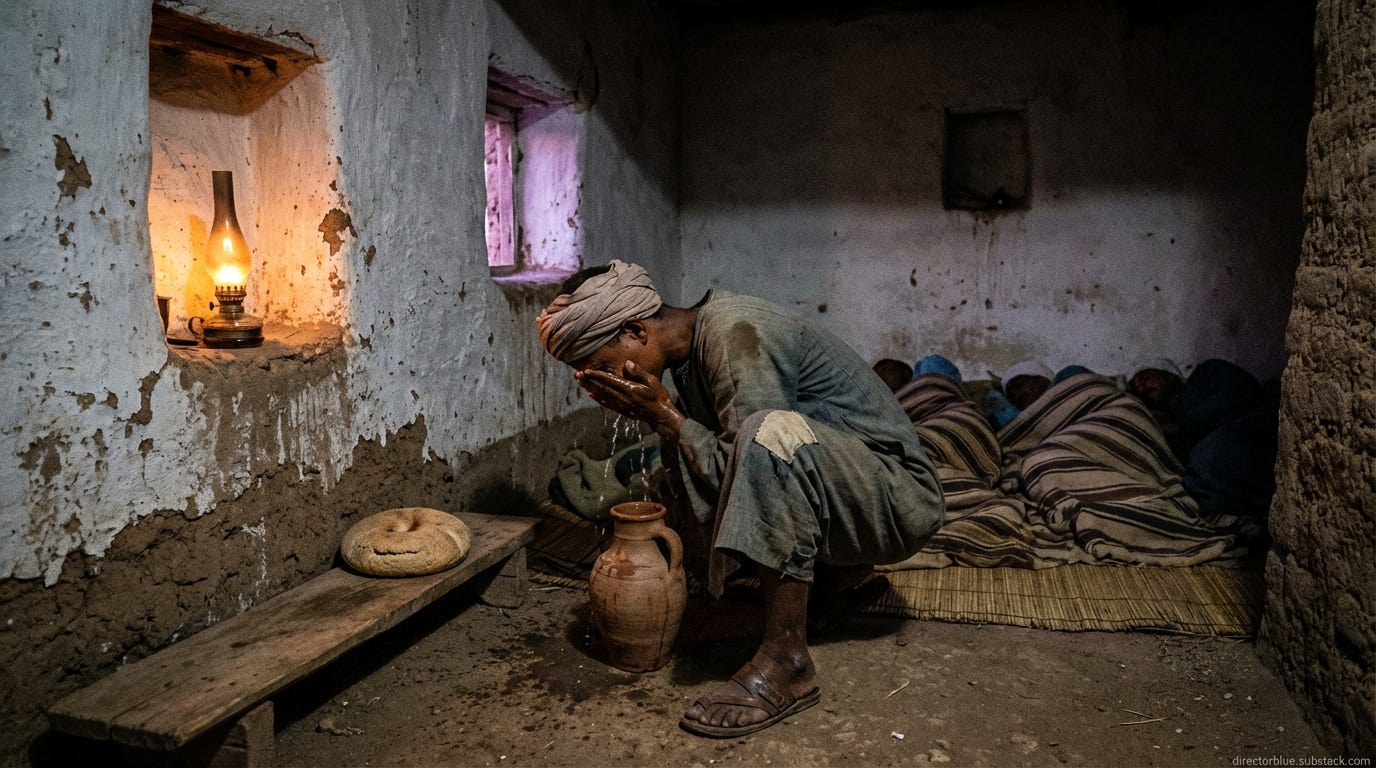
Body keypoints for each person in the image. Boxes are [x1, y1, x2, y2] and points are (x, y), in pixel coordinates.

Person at [536, 261, 944, 738]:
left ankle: (786, 663)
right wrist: (669, 426)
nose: (606, 388)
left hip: (900, 500)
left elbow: (752, 469)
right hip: (854, 486)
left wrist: (666, 416)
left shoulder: (732, 333)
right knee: (677, 469)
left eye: (605, 368)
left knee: (767, 434)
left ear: (633, 330)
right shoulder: (689, 354)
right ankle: (841, 582)